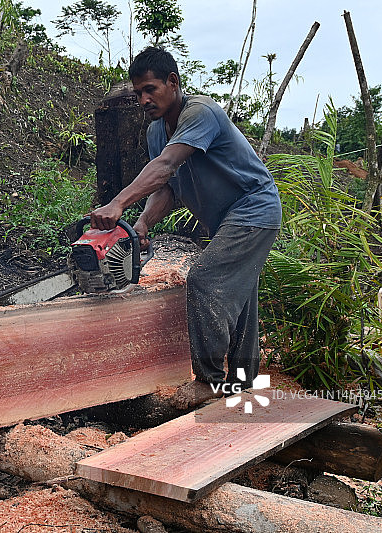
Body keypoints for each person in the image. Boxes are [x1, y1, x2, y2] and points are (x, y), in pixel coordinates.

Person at [88, 46, 282, 409]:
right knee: (241, 295)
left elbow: (165, 166)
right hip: (228, 219)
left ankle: (209, 382)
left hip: (254, 208)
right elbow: (166, 187)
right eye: (138, 93)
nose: (144, 100)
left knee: (204, 280)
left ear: (173, 82)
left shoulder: (201, 112)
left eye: (150, 89)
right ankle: (243, 383)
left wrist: (118, 204)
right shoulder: (155, 132)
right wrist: (142, 223)